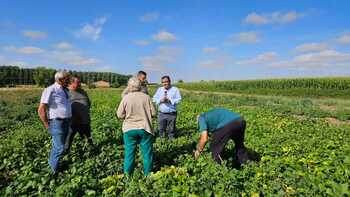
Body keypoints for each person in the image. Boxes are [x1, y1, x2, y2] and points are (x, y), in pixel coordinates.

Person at [116, 77, 156, 176]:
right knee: (147, 154)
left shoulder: (126, 97)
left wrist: (128, 115)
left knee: (129, 154)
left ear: (129, 86)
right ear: (140, 86)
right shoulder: (146, 97)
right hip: (145, 128)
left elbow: (119, 115)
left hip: (129, 129)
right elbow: (154, 113)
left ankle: (127, 177)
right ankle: (148, 176)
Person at [38, 70, 71, 175]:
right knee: (60, 148)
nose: (69, 81)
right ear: (60, 80)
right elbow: (41, 109)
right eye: (67, 79)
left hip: (66, 121)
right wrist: (47, 126)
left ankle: (55, 165)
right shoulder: (50, 90)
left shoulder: (65, 90)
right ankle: (53, 172)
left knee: (59, 146)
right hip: (57, 123)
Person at [64, 77, 93, 152]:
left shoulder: (83, 91)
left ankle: (91, 151)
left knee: (88, 137)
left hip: (85, 120)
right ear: (71, 83)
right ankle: (66, 153)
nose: (80, 84)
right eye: (78, 82)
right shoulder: (66, 92)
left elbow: (88, 103)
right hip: (72, 121)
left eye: (80, 82)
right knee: (69, 138)